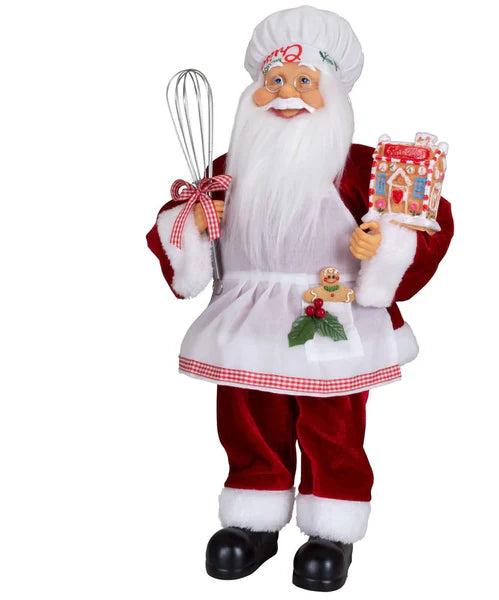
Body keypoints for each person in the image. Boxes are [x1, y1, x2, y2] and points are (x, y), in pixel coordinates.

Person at [147, 6, 454, 592]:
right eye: (274, 80)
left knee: (330, 421)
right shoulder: (228, 170)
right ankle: (253, 517)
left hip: (330, 307)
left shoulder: (363, 168)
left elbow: (427, 220)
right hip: (248, 314)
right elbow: (177, 226)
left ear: (332, 90)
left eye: (303, 80)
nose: (286, 93)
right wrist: (191, 223)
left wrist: (384, 243)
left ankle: (331, 524)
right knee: (248, 412)